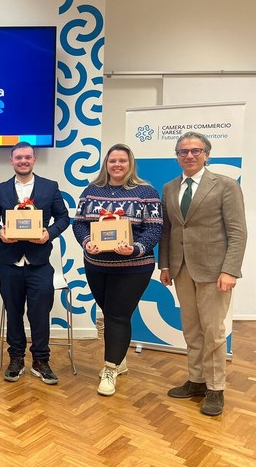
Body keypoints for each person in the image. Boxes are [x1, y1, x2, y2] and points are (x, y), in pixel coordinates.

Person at [160, 132, 247, 416]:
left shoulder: (225, 185)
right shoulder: (170, 188)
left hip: (214, 272)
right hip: (181, 269)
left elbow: (237, 232)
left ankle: (215, 388)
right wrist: (165, 265)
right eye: (183, 151)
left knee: (213, 331)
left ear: (207, 155)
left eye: (196, 151)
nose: (189, 156)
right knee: (192, 329)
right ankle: (196, 380)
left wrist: (230, 270)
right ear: (177, 156)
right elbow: (168, 231)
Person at [73, 143, 162, 397]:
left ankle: (110, 369)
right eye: (112, 161)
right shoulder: (91, 190)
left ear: (130, 163)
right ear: (106, 164)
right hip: (96, 265)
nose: (117, 165)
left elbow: (155, 228)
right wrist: (86, 242)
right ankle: (120, 360)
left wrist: (135, 248)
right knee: (113, 314)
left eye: (122, 160)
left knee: (117, 316)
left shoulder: (146, 192)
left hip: (133, 266)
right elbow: (79, 224)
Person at [0, 142, 70, 385]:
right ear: (11, 161)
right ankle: (16, 359)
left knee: (40, 314)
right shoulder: (1, 189)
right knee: (14, 313)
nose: (23, 161)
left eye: (27, 157)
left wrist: (49, 233)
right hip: (9, 262)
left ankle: (41, 360)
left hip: (39, 263)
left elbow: (64, 217)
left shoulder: (49, 187)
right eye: (18, 158)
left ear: (34, 159)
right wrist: (0, 232)